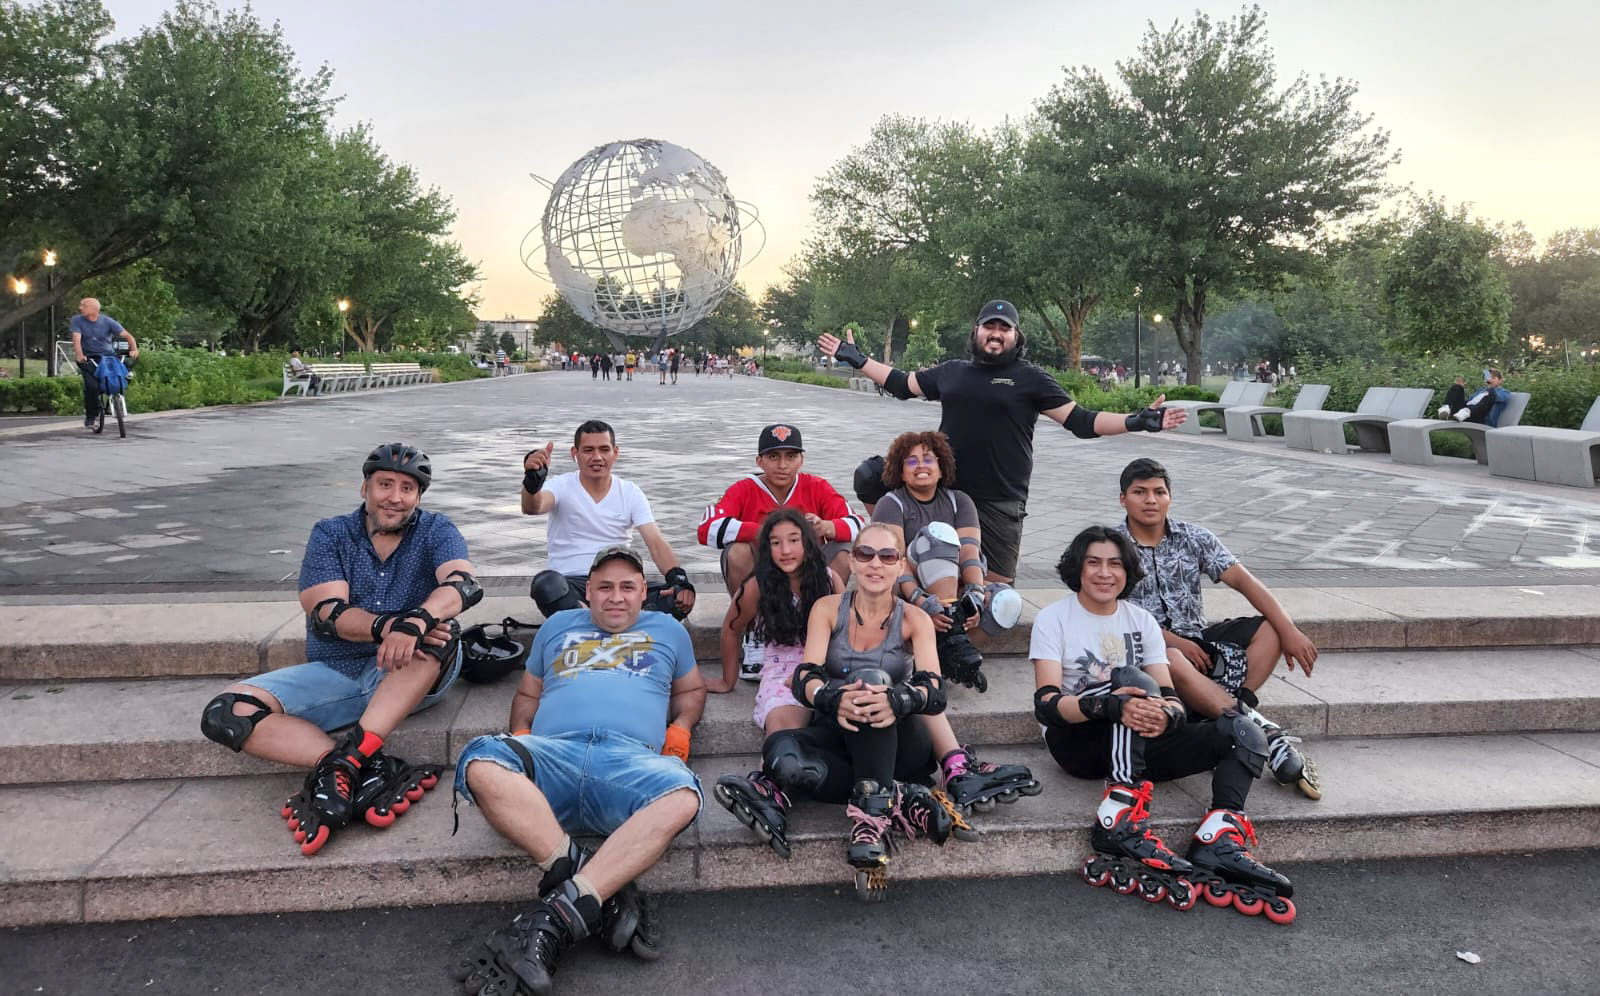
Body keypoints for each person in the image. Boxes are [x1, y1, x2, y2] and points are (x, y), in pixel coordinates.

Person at [198, 443, 473, 855]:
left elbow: (461, 583)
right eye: (385, 484)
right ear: (365, 488)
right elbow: (326, 611)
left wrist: (416, 623)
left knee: (440, 634)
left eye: (407, 488)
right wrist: (388, 627)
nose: (395, 497)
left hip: (411, 671)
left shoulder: (436, 529)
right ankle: (350, 765)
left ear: (418, 496)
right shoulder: (331, 533)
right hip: (337, 670)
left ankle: (348, 762)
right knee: (226, 713)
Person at [453, 545, 704, 991]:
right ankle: (595, 889)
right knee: (479, 759)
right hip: (553, 756)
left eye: (627, 587)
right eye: (604, 587)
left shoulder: (668, 630)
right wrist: (522, 735)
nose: (616, 597)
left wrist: (680, 731)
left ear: (643, 592)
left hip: (628, 762)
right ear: (587, 591)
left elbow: (691, 691)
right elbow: (527, 694)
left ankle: (555, 917)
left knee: (684, 796)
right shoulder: (557, 626)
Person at [1031, 526, 1296, 922]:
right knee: (1130, 681)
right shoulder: (1054, 619)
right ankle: (1118, 818)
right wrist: (1109, 705)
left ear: (1127, 572)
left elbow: (1171, 697)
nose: (1104, 573)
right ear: (1077, 569)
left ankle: (1219, 837)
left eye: (1115, 564)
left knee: (1242, 730)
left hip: (1139, 739)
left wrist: (1167, 714)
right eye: (1093, 563)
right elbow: (1047, 705)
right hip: (1079, 742)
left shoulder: (1141, 621)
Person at [819, 300, 1184, 584]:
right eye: (989, 326)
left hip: (999, 498)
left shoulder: (1030, 379)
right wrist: (858, 359)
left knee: (997, 594)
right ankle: (896, 557)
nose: (996, 333)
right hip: (943, 492)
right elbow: (902, 384)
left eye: (1004, 328)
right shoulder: (953, 372)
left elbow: (1082, 422)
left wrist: (1135, 421)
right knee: (871, 476)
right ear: (976, 332)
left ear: (1016, 337)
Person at [713, 523, 958, 900]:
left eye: (887, 556)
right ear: (853, 562)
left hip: (900, 741)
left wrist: (895, 700)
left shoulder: (914, 618)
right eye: (865, 554)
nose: (875, 564)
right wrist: (832, 697)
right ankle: (894, 796)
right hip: (843, 729)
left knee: (871, 683)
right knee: (782, 754)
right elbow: (805, 677)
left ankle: (871, 822)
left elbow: (934, 691)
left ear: (900, 565)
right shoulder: (827, 608)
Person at [1115, 458, 1321, 800]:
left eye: (1159, 492)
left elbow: (1244, 581)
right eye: (1140, 492)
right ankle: (1258, 730)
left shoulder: (1193, 537)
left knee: (1270, 629)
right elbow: (1113, 610)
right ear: (1123, 499)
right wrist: (1173, 641)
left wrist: (1289, 630)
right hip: (1144, 650)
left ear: (1169, 498)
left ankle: (1231, 712)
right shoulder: (1112, 546)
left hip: (1197, 642)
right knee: (1172, 655)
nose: (1150, 500)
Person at [696, 423, 863, 680]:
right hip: (763, 578)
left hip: (807, 580)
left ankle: (821, 628)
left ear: (801, 460)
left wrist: (825, 526)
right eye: (774, 457)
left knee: (842, 552)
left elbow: (858, 526)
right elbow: (707, 528)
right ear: (759, 461)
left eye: (791, 456)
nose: (783, 465)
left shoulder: (816, 486)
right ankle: (754, 632)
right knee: (737, 552)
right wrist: (766, 532)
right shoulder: (744, 488)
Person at [867, 430, 1025, 693]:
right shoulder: (891, 503)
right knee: (937, 536)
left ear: (941, 469)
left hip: (955, 585)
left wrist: (975, 594)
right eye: (911, 461)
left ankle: (947, 652)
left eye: (928, 459)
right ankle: (948, 647)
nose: (921, 466)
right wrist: (921, 600)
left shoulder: (959, 501)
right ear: (900, 471)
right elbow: (895, 560)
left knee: (1007, 602)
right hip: (906, 588)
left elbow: (969, 552)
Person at [521, 419, 696, 621]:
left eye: (604, 449)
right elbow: (532, 507)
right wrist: (532, 484)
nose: (597, 457)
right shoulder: (561, 485)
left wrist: (678, 579)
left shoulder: (630, 492)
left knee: (678, 598)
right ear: (574, 453)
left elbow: (656, 543)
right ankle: (616, 620)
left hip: (619, 584)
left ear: (615, 452)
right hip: (571, 585)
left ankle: (586, 620)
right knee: (545, 585)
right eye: (588, 450)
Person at [70, 297, 139, 430]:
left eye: (84, 305)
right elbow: (76, 339)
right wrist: (79, 355)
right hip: (89, 358)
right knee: (91, 386)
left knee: (126, 372)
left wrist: (134, 349)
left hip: (108, 356)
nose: (80, 308)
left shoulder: (107, 321)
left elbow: (128, 336)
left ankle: (113, 399)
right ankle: (91, 417)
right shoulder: (77, 320)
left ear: (94, 309)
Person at [1444, 369, 1512, 425]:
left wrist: (1491, 387)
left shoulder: (1504, 393)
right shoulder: (1481, 390)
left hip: (1478, 417)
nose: (1490, 380)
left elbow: (1498, 398)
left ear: (1500, 381)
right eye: (1488, 378)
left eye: (1493, 378)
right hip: (1462, 413)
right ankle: (1446, 409)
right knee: (1457, 387)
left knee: (1490, 395)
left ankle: (1466, 411)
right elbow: (1469, 401)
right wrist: (1461, 388)